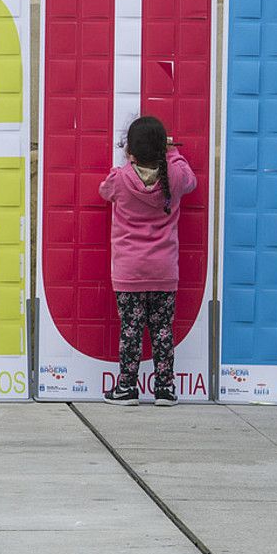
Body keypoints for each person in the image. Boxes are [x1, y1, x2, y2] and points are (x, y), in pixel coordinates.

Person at [100, 115, 197, 407]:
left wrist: (124, 163)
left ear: (130, 151)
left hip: (129, 271)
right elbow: (190, 180)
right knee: (162, 328)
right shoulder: (175, 177)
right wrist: (173, 152)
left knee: (131, 328)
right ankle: (165, 388)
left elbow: (103, 191)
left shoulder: (120, 179)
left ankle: (127, 388)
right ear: (161, 149)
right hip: (164, 270)